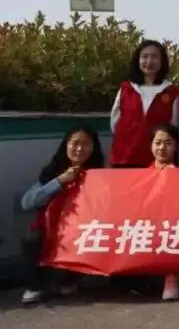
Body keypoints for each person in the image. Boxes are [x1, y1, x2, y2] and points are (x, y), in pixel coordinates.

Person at [20, 127, 105, 304]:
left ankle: (68, 281)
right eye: (75, 143)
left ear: (94, 148)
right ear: (66, 145)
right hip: (50, 228)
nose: (79, 149)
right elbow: (27, 202)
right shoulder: (53, 171)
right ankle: (35, 286)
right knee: (32, 236)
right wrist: (60, 181)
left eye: (86, 144)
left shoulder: (100, 174)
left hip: (80, 231)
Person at [109, 40, 179, 167]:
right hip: (124, 156)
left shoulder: (171, 91)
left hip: (156, 158)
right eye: (145, 56)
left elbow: (173, 125)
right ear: (138, 60)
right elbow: (114, 122)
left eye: (154, 57)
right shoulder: (126, 88)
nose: (149, 61)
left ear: (162, 61)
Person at [149, 125, 179, 300]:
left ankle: (171, 277)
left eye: (168, 143)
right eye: (158, 143)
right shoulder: (139, 175)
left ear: (176, 146)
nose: (162, 148)